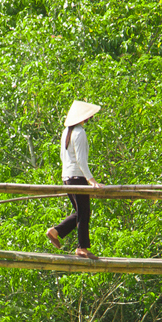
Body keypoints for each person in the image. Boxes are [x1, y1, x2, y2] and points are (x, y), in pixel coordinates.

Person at [46, 100, 103, 259]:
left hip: (67, 177)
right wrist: (91, 180)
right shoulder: (79, 133)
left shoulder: (66, 132)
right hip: (77, 177)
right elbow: (81, 160)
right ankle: (82, 248)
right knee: (84, 212)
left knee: (81, 212)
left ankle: (56, 231)